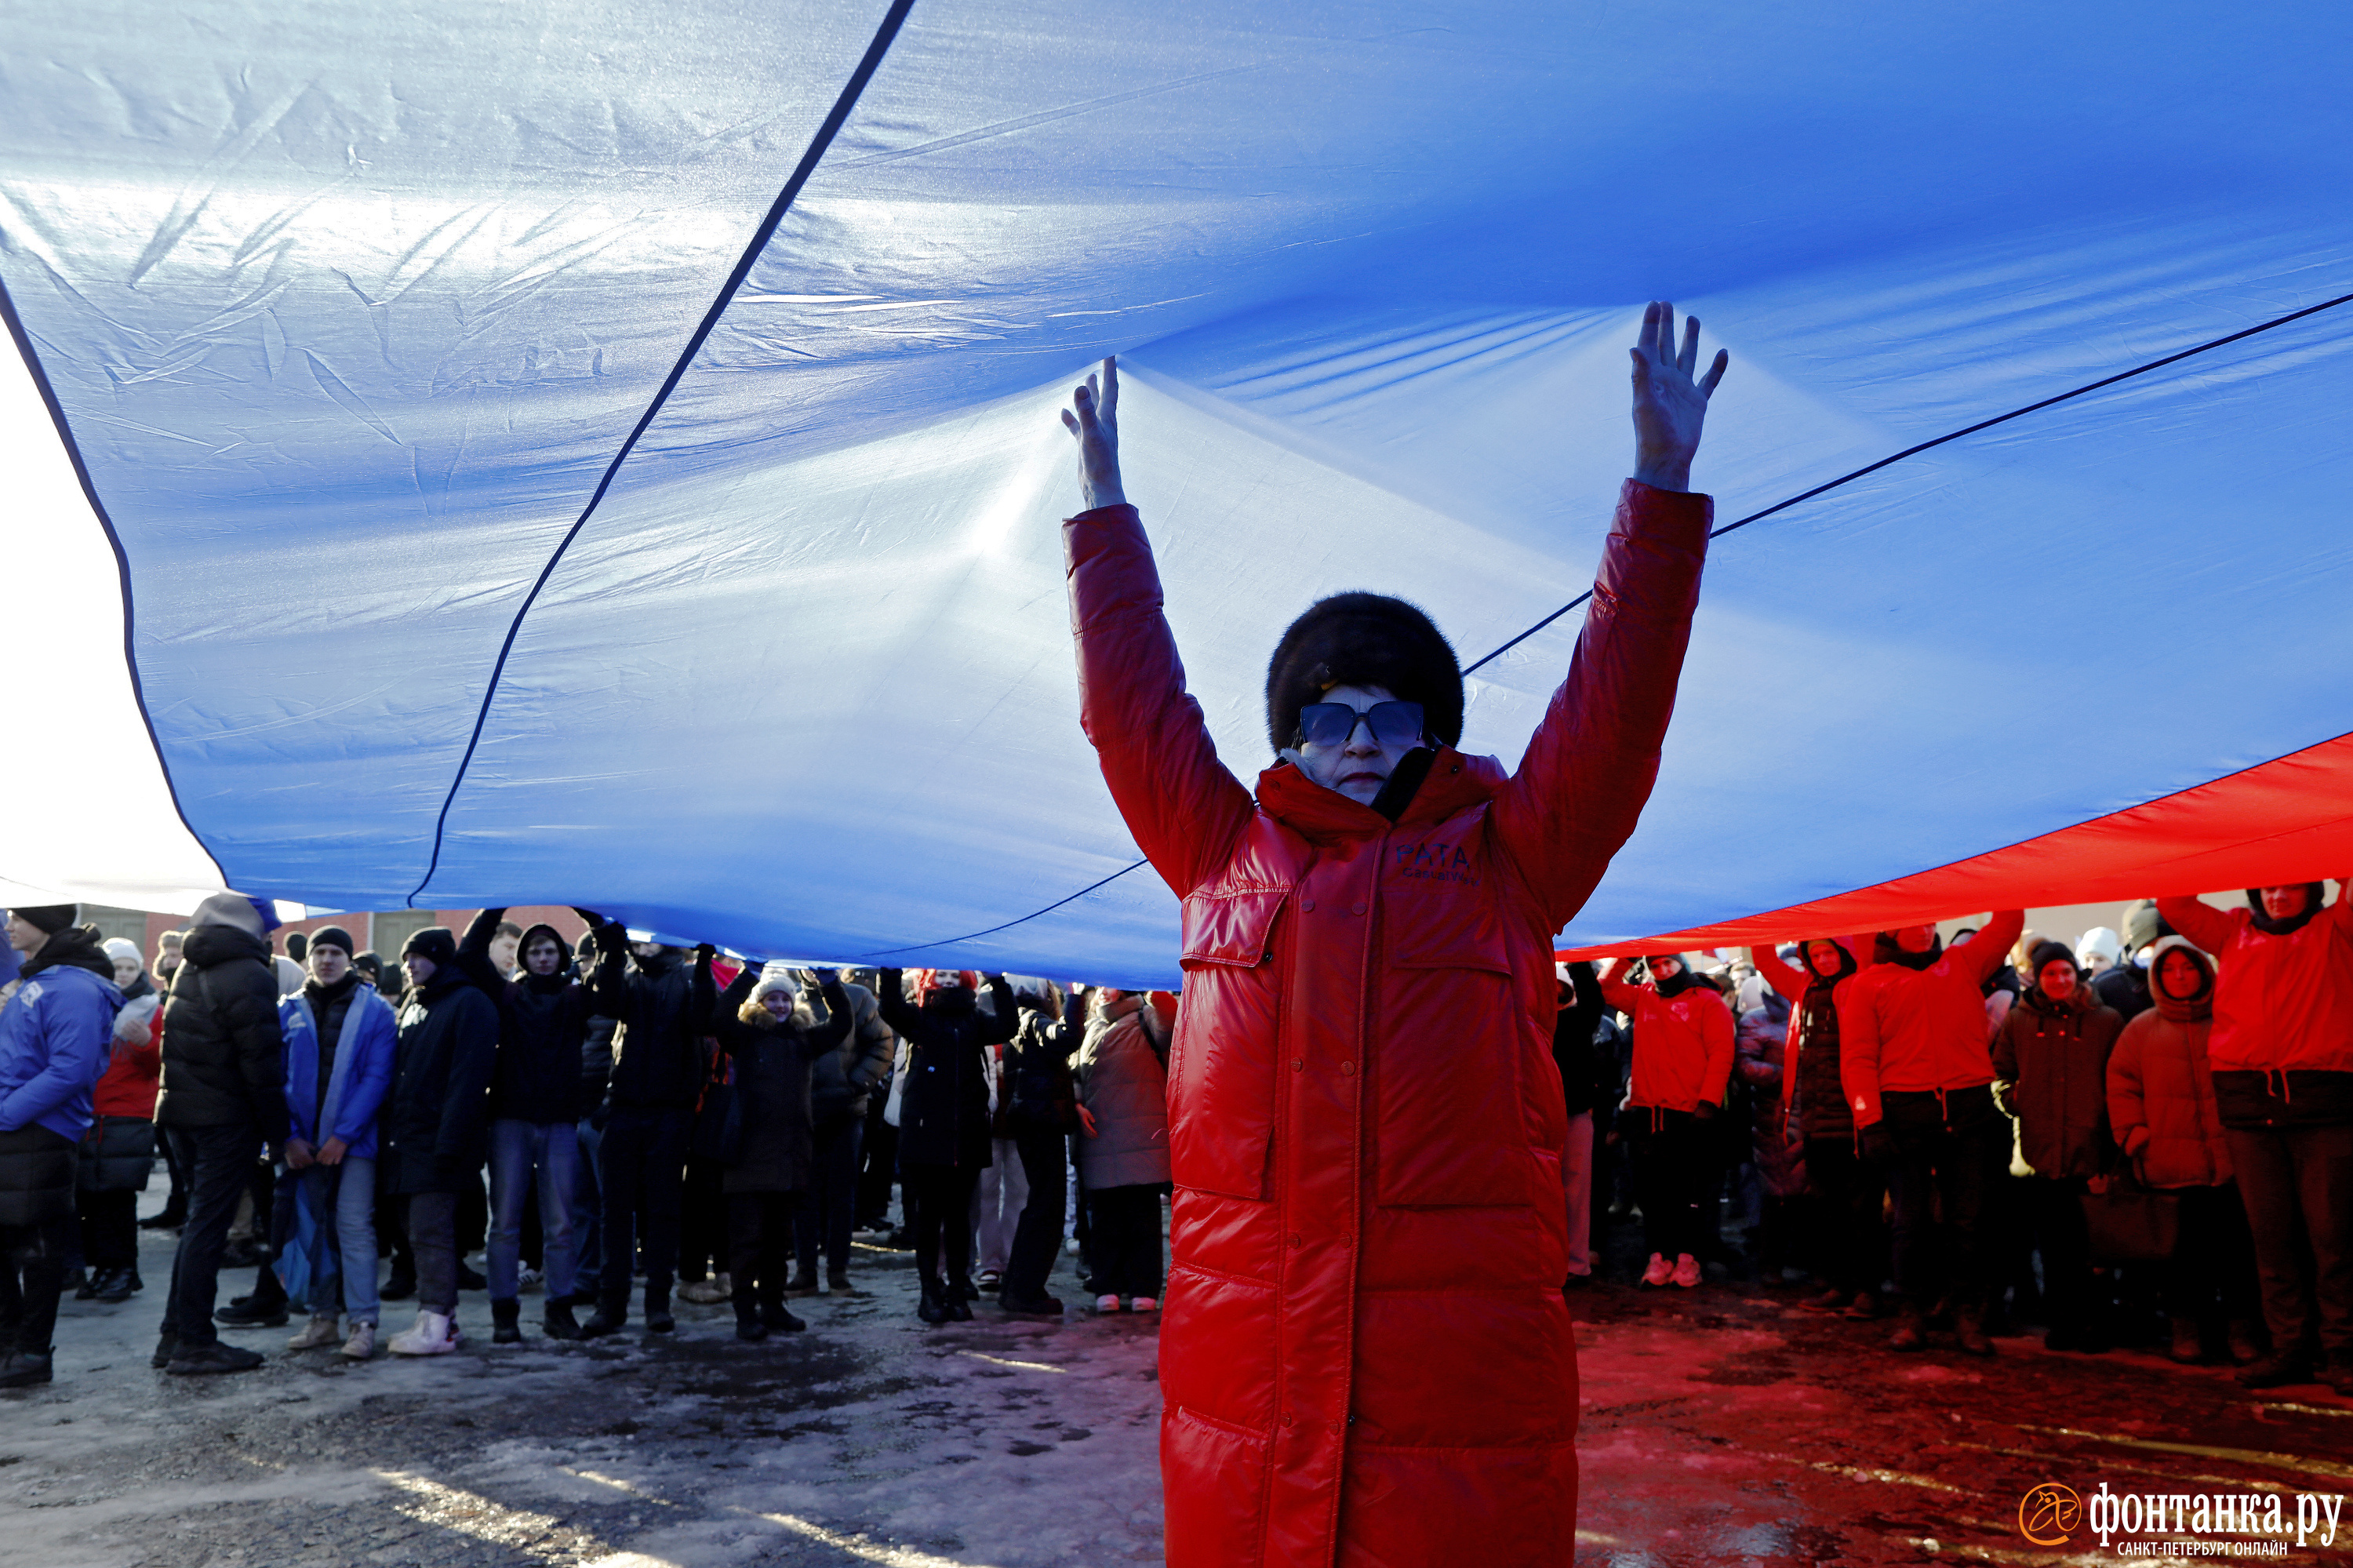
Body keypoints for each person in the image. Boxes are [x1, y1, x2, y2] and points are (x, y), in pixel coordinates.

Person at [1056, 298, 1726, 1563]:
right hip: (1247, 1388)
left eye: (1393, 711)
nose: (1360, 735)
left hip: (1451, 1399)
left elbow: (1618, 708)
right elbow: (1131, 704)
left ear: (1433, 727)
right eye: (1328, 712)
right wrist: (1102, 505)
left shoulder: (1510, 863)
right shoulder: (1220, 856)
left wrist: (1661, 483)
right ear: (1290, 735)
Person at [2156, 883, 2353, 1393]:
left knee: (2334, 1239)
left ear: (2312, 888)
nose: (2279, 894)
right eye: (2269, 885)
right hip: (2249, 1105)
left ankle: (2343, 1350)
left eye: (2291, 884)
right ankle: (2290, 1347)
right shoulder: (2232, 930)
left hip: (2323, 1102)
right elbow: (2173, 899)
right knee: (2272, 1239)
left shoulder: (2337, 925)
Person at [1840, 911, 2025, 1355]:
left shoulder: (1962, 963)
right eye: (1913, 923)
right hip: (1905, 1114)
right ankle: (1911, 1315)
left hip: (1967, 1110)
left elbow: (2008, 923)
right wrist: (1870, 1121)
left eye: (1929, 921)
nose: (1924, 930)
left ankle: (1966, 1314)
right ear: (1890, 929)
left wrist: (1993, 867)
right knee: (1910, 1221)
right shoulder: (1870, 983)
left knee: (1967, 1221)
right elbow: (1859, 1058)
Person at [2106, 937, 2261, 1366]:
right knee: (2183, 1259)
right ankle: (2187, 1328)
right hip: (2170, 1167)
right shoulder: (2140, 1030)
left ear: (2204, 971)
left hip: (2232, 1166)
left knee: (2237, 1257)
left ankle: (2242, 1330)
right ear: (2157, 977)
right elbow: (2121, 1084)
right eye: (2169, 969)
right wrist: (2135, 1134)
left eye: (2188, 968)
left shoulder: (2230, 1020)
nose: (2179, 976)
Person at [153, 893, 289, 1376]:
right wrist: (281, 1134)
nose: (271, 936)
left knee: (197, 1226)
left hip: (180, 1116)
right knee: (208, 1229)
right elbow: (262, 1066)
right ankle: (195, 1341)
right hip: (225, 1121)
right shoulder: (249, 974)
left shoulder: (191, 967)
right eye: (267, 927)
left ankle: (174, 1335)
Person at [456, 909, 592, 1343]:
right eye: (535, 951)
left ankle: (560, 1310)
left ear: (562, 955)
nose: (544, 957)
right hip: (510, 1120)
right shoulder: (507, 996)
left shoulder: (577, 999)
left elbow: (611, 966)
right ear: (524, 958)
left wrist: (591, 915)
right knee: (505, 1224)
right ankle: (504, 1314)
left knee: (561, 1224)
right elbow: (470, 954)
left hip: (559, 1123)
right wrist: (495, 906)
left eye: (551, 950)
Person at [0, 905, 122, 1387]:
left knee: (39, 1246)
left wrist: (7, 1112)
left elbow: (72, 1067)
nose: (7, 926)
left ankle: (30, 1352)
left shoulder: (72, 986)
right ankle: (10, 1345)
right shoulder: (41, 980)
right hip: (20, 1123)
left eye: (17, 918)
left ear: (45, 925)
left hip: (38, 1128)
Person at [580, 920, 714, 1337]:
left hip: (670, 1112)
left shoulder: (689, 977)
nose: (644, 945)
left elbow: (701, 1021)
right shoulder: (627, 980)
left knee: (662, 1213)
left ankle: (658, 1303)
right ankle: (611, 1306)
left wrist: (706, 964)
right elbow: (606, 1001)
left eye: (649, 938)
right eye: (637, 939)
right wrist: (610, 945)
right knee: (615, 1213)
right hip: (622, 1109)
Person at [1991, 940, 2125, 1352]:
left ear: (2076, 974)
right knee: (2054, 1247)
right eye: (2051, 972)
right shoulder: (2019, 1021)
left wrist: (2110, 1146)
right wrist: (2018, 1098)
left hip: (2091, 1153)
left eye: (2066, 971)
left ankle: (2096, 1323)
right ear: (2038, 977)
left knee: (2094, 1248)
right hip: (2039, 1154)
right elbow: (2000, 1074)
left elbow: (2120, 1083)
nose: (2060, 979)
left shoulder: (2106, 1021)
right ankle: (2063, 1321)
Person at [709, 964, 853, 1339]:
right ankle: (745, 1312)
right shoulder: (744, 1038)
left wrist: (829, 983)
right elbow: (720, 1016)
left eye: (784, 998)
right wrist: (748, 974)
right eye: (771, 998)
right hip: (748, 1155)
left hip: (791, 1156)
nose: (778, 1005)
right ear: (759, 1003)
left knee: (778, 1240)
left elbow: (841, 1023)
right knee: (747, 1239)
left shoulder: (804, 1041)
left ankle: (773, 1306)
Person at [275, 926, 396, 1359]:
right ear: (309, 959)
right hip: (302, 1145)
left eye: (335, 952)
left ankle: (362, 1322)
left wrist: (342, 1136)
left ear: (349, 959)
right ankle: (323, 1318)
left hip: (355, 1142)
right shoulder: (286, 1009)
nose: (327, 959)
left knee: (353, 1227)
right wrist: (289, 1137)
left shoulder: (377, 1012)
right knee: (311, 1229)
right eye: (319, 952)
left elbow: (376, 1078)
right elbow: (276, 1079)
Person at [380, 926, 498, 1355]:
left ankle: (436, 1322)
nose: (409, 964)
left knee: (432, 1233)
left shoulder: (469, 1004)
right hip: (408, 1140)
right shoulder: (416, 1003)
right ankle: (440, 1322)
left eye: (419, 956)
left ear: (441, 959)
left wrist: (450, 1144)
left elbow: (468, 1081)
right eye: (407, 956)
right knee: (416, 1233)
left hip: (441, 1144)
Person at [1751, 939, 1884, 1317]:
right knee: (1828, 1208)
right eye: (1816, 955)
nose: (1824, 960)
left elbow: (1870, 935)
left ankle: (1867, 1290)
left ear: (1845, 952)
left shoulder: (1862, 982)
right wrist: (1765, 911)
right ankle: (1838, 1284)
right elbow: (1764, 958)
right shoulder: (1804, 987)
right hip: (1814, 1115)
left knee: (1863, 1210)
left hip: (1855, 1115)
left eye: (1831, 952)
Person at [876, 969, 1016, 1324]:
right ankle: (929, 1290)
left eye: (955, 975)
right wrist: (891, 968)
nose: (949, 981)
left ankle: (957, 1288)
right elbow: (889, 1007)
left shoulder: (976, 1020)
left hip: (965, 1134)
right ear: (929, 981)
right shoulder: (919, 1017)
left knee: (958, 1219)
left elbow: (1008, 1027)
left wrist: (998, 982)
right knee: (927, 1219)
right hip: (926, 1134)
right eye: (942, 975)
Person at [1598, 954, 1736, 1288]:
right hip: (1648, 1111)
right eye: (1655, 965)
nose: (1662, 970)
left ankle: (1689, 1258)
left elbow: (1722, 1052)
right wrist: (1628, 956)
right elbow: (1604, 988)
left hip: (1689, 1112)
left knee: (1689, 1191)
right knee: (1652, 1192)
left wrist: (1708, 1102)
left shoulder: (1707, 1001)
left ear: (1681, 963)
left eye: (1668, 963)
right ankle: (1658, 1256)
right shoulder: (1643, 996)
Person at [791, 966, 893, 1296]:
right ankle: (806, 1271)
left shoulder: (857, 997)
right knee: (802, 1193)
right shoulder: (787, 998)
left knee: (841, 1193)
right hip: (800, 1113)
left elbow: (882, 1043)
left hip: (846, 1112)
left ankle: (838, 1271)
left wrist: (855, 1085)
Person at [76, 938, 164, 1304]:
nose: (123, 974)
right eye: (117, 968)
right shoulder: (91, 1004)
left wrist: (146, 1043)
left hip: (129, 1115)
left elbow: (162, 1067)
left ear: (140, 970)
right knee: (89, 1198)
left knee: (118, 1197)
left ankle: (124, 1269)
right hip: (89, 1113)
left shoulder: (153, 1010)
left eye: (130, 967)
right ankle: (103, 1268)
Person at [1074, 988, 1171, 1313]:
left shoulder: (1146, 1016)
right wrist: (1075, 1103)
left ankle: (1144, 1287)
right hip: (1099, 1134)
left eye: (1108, 983)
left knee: (1142, 1213)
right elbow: (1075, 1073)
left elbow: (1172, 1026)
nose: (1101, 991)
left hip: (1142, 1135)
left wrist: (1155, 990)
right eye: (1097, 985)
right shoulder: (1090, 1028)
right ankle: (1108, 1286)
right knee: (1105, 1216)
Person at [998, 980, 1081, 1316]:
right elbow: (1067, 1038)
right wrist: (1076, 997)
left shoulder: (1018, 1021)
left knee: (1039, 1205)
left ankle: (1019, 1287)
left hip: (1032, 1120)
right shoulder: (1032, 1019)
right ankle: (1025, 1290)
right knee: (1046, 1207)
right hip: (1040, 1121)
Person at [1554, 963, 1611, 1286]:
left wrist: (1579, 958)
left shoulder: (1581, 1020)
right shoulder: (1530, 1021)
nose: (1556, 992)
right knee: (1545, 1193)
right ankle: (1549, 1260)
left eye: (1561, 986)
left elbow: (1592, 994)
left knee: (1576, 1192)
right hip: (1537, 1117)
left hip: (1575, 1116)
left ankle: (1575, 1263)